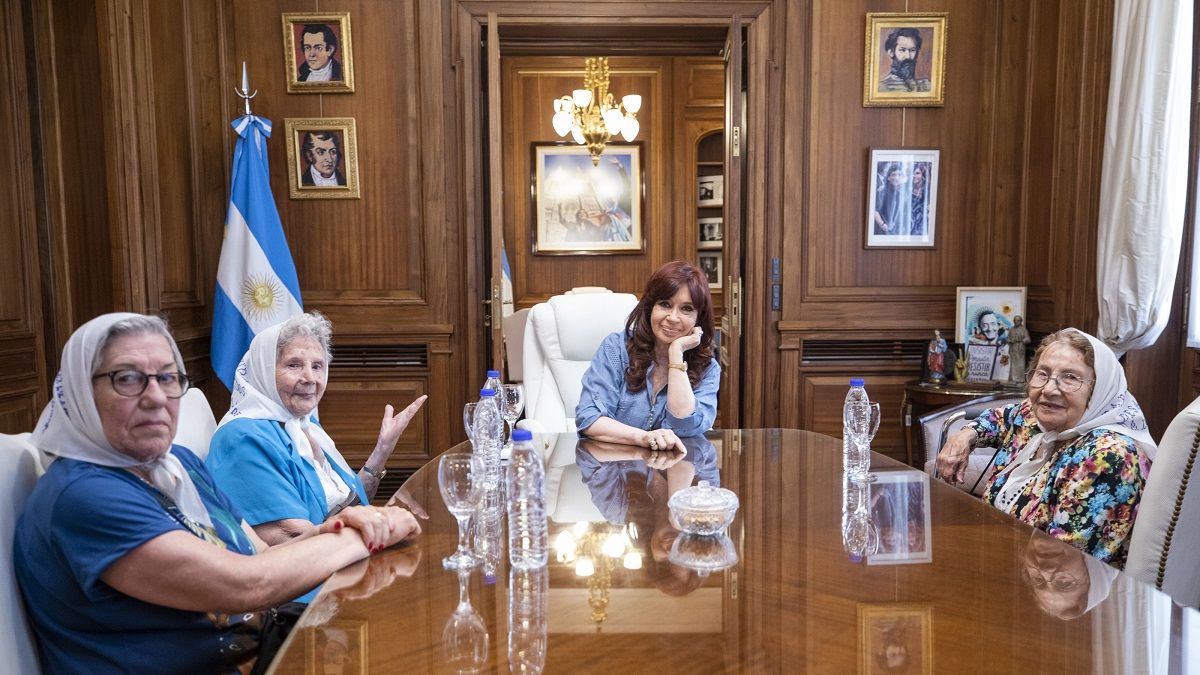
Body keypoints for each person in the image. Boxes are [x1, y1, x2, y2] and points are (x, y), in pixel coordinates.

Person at [13, 313, 420, 673]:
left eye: (168, 378)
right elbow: (248, 585)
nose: (156, 397)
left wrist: (344, 523)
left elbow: (261, 552)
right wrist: (365, 531)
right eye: (128, 378)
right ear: (82, 392)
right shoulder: (84, 494)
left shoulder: (179, 463)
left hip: (260, 650)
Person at [935, 328, 1156, 568]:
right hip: (1000, 564)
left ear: (1099, 389)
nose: (1049, 389)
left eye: (1070, 377)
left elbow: (1059, 562)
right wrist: (966, 434)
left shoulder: (1109, 458)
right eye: (1043, 374)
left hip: (1062, 592)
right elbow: (1002, 417)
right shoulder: (1037, 418)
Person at [207, 312, 428, 547]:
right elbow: (297, 540)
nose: (310, 378)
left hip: (338, 558)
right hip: (304, 576)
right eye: (294, 365)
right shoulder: (243, 439)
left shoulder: (303, 424)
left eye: (317, 366)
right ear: (264, 370)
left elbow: (348, 505)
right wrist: (389, 527)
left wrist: (382, 450)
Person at [575, 260, 720, 454]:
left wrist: (676, 353)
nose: (673, 317)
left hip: (677, 472)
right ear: (650, 307)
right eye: (665, 304)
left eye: (686, 309)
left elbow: (684, 427)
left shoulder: (708, 368)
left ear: (698, 318)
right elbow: (589, 419)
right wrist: (642, 438)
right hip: (617, 470)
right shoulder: (617, 348)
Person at [878, 27, 931, 93]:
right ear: (891, 53)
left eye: (912, 50)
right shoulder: (882, 87)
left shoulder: (927, 86)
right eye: (902, 50)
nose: (908, 56)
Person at [873, 162, 911, 235]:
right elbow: (875, 211)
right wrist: (882, 224)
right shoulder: (882, 191)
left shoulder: (903, 193)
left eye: (899, 175)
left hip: (896, 232)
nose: (896, 177)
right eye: (893, 175)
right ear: (888, 177)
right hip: (883, 231)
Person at [1008, 315, 1031, 384]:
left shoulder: (1023, 329)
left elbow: (1028, 339)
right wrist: (1010, 340)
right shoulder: (1011, 329)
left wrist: (1022, 340)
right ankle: (1012, 379)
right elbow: (1008, 338)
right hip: (1013, 348)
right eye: (1015, 320)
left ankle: (1020, 380)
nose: (1016, 322)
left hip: (1020, 348)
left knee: (1020, 364)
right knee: (1013, 365)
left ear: (1020, 321)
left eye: (1017, 320)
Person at [910, 163, 929, 235]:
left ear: (923, 175)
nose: (914, 176)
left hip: (923, 226)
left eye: (917, 173)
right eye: (912, 173)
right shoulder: (907, 190)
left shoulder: (928, 191)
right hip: (909, 225)